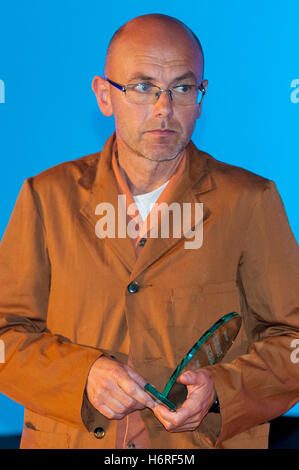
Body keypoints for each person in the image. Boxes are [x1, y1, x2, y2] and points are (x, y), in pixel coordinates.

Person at [0, 13, 299, 450]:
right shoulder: (47, 199)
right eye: (142, 87)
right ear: (105, 95)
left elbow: (292, 341)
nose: (164, 108)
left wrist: (221, 392)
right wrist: (81, 375)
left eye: (182, 88)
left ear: (202, 96)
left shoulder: (250, 201)